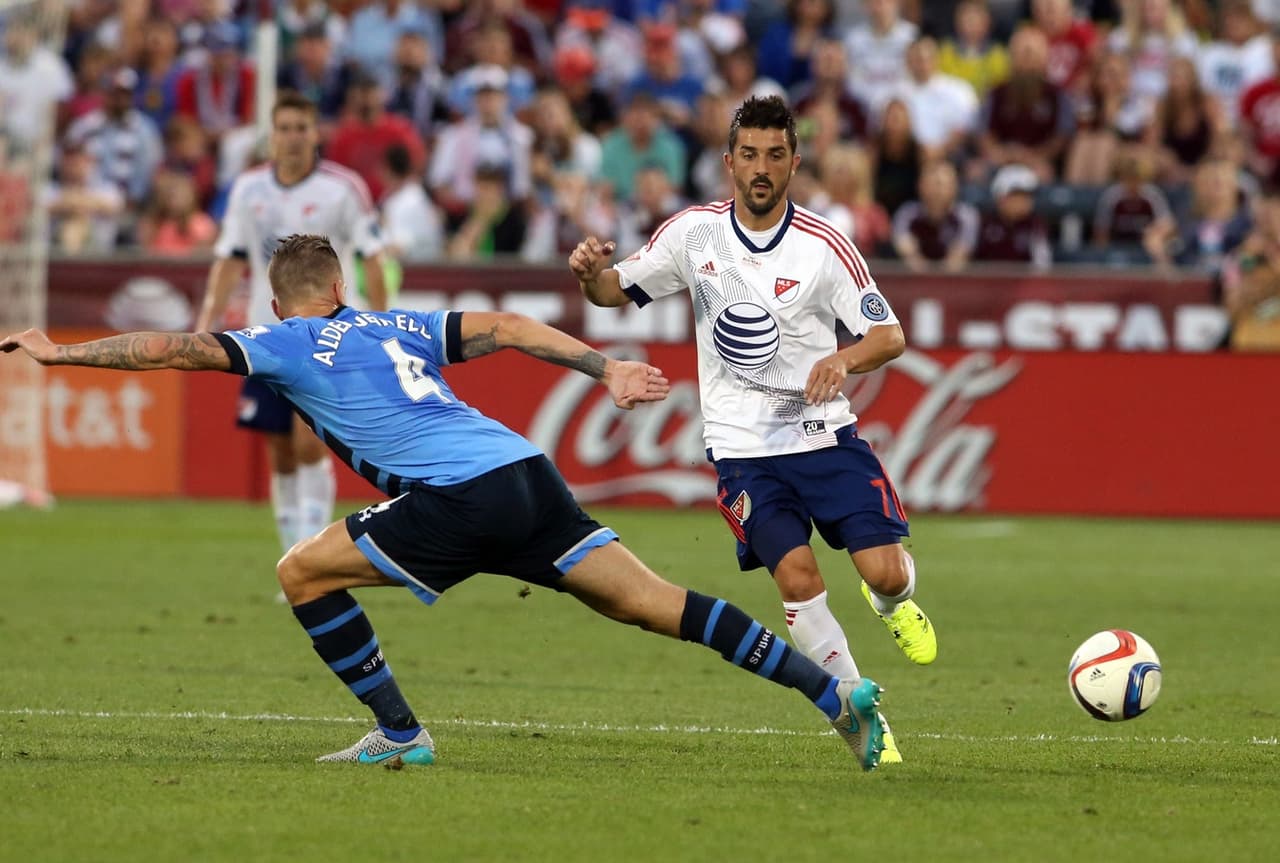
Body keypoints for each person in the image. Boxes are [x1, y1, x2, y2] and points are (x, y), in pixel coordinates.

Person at [1, 233, 888, 772]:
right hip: (527, 473)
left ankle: (398, 733)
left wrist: (58, 351)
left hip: (459, 495)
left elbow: (170, 347)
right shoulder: (394, 323)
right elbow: (504, 329)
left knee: (301, 572)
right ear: (344, 288)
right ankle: (834, 695)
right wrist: (604, 363)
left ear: (279, 303)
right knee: (659, 605)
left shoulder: (278, 341)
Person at [569, 95, 939, 765]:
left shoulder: (825, 245)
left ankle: (894, 604)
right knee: (796, 578)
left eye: (774, 155)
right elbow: (614, 289)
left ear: (795, 162)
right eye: (748, 155)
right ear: (728, 162)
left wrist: (841, 357)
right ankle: (860, 713)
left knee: (884, 572)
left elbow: (889, 335)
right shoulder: (692, 234)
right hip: (743, 450)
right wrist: (592, 274)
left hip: (824, 436)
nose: (760, 169)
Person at [195, 91, 387, 561]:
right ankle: (292, 555)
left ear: (315, 133)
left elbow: (372, 258)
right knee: (279, 449)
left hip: (329, 336)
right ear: (272, 135)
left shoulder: (344, 189)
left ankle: (312, 556)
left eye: (302, 128)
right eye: (284, 128)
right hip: (268, 336)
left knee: (309, 443)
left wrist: (382, 324)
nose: (293, 138)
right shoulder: (248, 190)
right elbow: (230, 258)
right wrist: (207, 320)